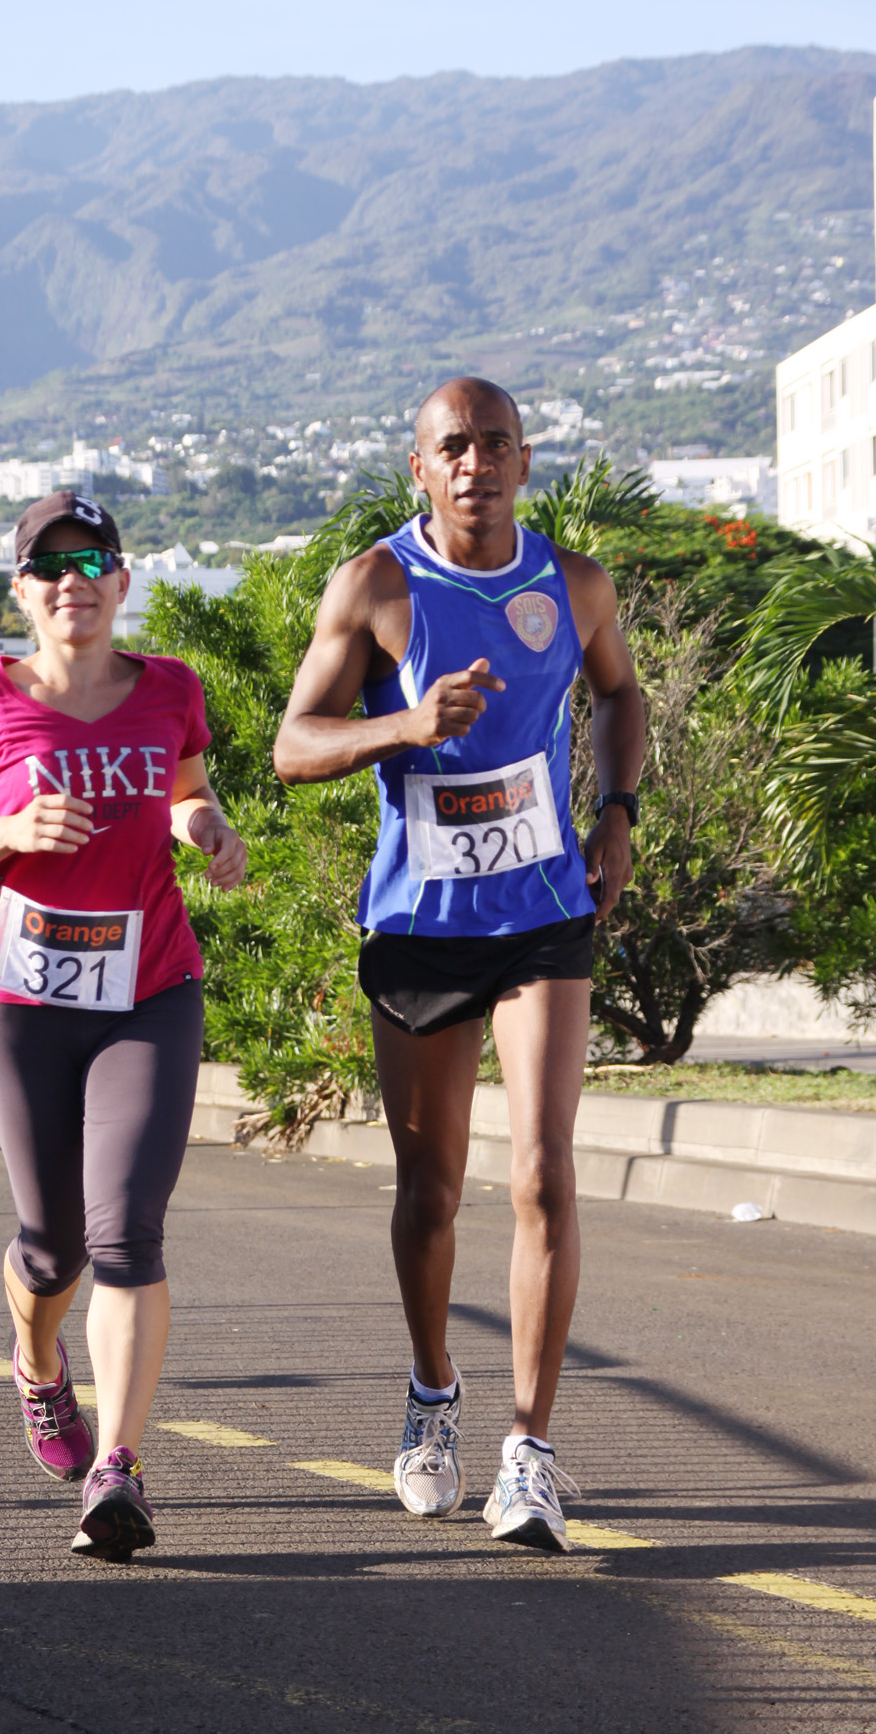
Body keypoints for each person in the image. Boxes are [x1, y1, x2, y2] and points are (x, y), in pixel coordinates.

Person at [273, 379, 644, 1552]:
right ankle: (432, 1395)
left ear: (522, 460)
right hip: (421, 926)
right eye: (452, 446)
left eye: (493, 443)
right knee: (429, 1192)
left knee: (542, 1172)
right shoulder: (376, 585)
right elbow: (291, 746)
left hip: (542, 912)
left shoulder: (571, 583)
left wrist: (618, 810)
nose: (474, 461)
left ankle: (528, 1452)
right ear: (418, 468)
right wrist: (400, 727)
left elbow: (620, 691)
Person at [0, 490, 247, 1561]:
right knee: (52, 1250)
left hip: (147, 990)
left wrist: (207, 829)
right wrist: (8, 827)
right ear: (22, 593)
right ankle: (39, 1367)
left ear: (122, 583)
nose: (73, 582)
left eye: (92, 562)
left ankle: (120, 1468)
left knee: (125, 1235)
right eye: (49, 568)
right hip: (24, 1001)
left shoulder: (170, 691)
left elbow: (184, 789)